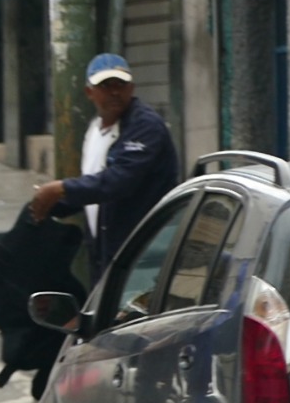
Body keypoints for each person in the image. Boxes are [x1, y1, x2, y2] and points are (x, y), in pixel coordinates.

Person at [29, 52, 180, 284]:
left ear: (132, 88)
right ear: (90, 92)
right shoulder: (95, 130)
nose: (114, 92)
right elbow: (95, 186)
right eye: (105, 86)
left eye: (120, 84)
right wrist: (52, 204)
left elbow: (118, 181)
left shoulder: (146, 127)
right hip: (108, 253)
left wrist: (61, 188)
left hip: (144, 254)